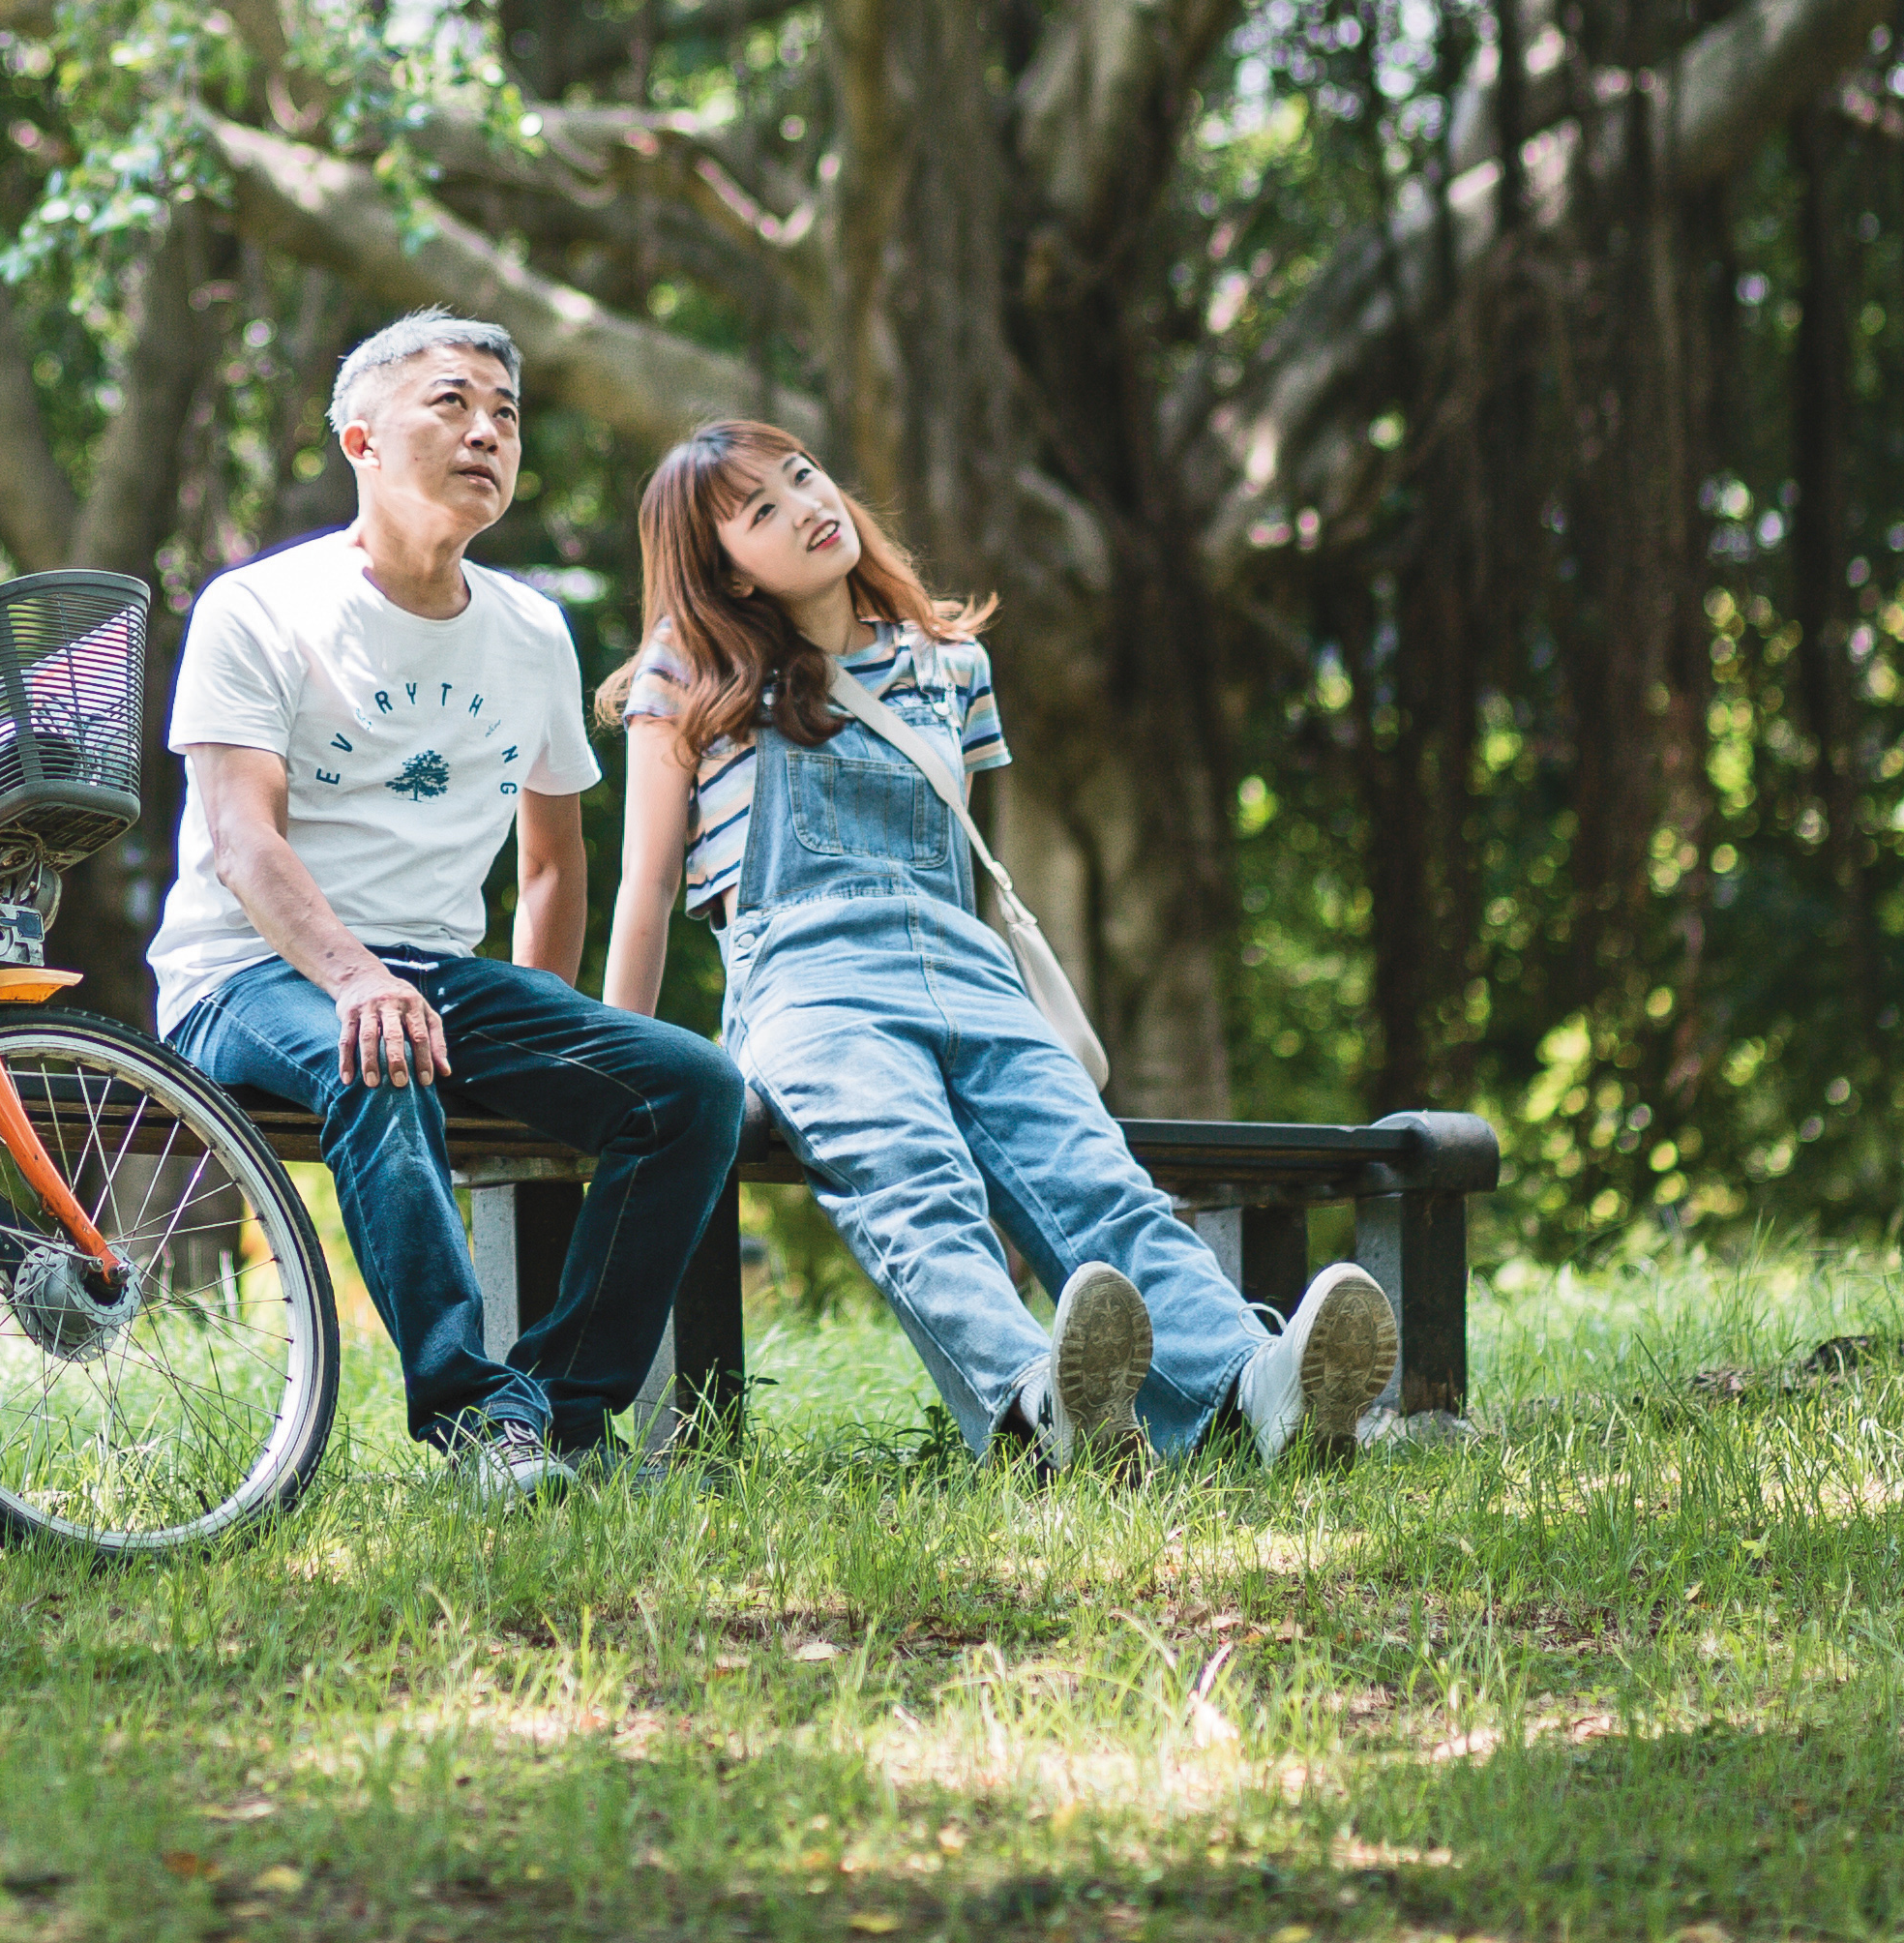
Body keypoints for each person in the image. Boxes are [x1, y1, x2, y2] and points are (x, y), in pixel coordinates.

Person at [598, 420, 1394, 1469]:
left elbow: (953, 860)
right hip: (812, 988)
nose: (807, 507)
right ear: (729, 572)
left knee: (1098, 1183)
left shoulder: (950, 663)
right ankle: (1035, 1409)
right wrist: (615, 1070)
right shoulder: (691, 674)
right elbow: (648, 888)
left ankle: (1254, 1391)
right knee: (915, 1185)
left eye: (803, 476)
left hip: (969, 971)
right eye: (762, 511)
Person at [152, 312, 755, 1495]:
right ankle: (477, 1418)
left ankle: (561, 1418)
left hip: (439, 979)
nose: (488, 432)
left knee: (691, 1088)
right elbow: (242, 840)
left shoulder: (529, 630)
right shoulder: (258, 606)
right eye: (452, 403)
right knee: (377, 1053)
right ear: (361, 439)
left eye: (506, 415)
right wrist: (356, 980)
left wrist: (539, 1035)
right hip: (246, 975)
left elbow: (553, 862)